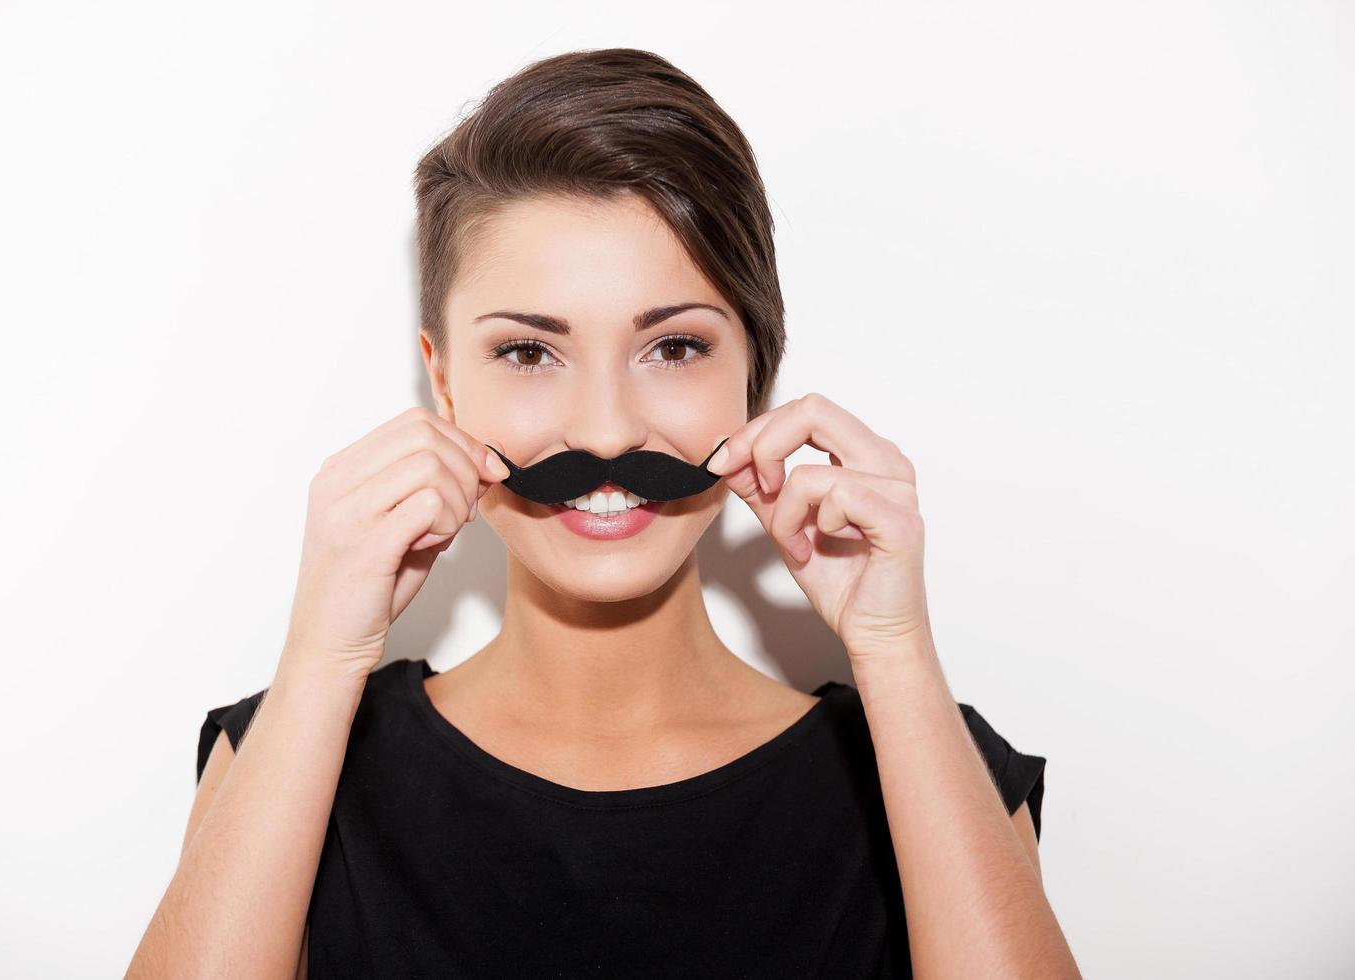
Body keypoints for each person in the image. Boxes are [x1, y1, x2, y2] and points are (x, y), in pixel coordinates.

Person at [129, 47, 1079, 978]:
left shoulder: (927, 770)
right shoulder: (291, 753)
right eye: (528, 354)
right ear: (444, 384)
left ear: (755, 377)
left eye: (671, 348)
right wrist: (321, 657)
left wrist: (895, 652)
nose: (608, 429)